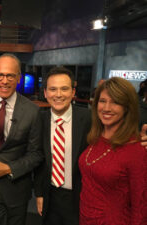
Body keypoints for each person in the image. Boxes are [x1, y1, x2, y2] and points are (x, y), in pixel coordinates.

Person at [0, 53, 43, 225]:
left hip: (16, 188)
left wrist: (9, 168)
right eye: (0, 75)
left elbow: (36, 154)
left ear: (18, 78)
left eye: (10, 75)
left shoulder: (32, 111)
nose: (4, 81)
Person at [78, 77, 147, 225]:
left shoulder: (136, 149)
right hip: (85, 218)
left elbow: (141, 207)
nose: (107, 108)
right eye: (102, 101)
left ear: (127, 107)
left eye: (115, 102)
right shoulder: (95, 137)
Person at [34, 67, 91, 225]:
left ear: (73, 92)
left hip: (80, 196)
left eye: (64, 89)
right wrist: (39, 194)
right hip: (50, 195)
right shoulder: (39, 120)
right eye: (53, 89)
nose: (58, 95)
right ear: (45, 93)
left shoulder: (89, 119)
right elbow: (39, 160)